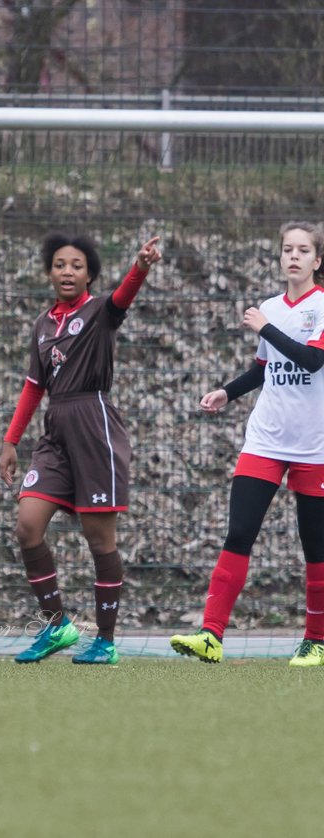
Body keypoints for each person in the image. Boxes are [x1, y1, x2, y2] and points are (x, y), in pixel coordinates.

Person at [0, 232, 163, 666]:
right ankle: (58, 627)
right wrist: (11, 440)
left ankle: (105, 641)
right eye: (59, 264)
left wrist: (141, 266)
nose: (67, 271)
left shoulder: (100, 313)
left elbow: (123, 297)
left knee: (99, 539)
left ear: (89, 273)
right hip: (55, 433)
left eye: (76, 265)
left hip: (95, 429)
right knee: (27, 525)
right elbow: (35, 387)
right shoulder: (42, 324)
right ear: (49, 272)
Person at [171, 221, 324, 667]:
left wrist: (266, 326)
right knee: (239, 532)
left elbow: (313, 361)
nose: (293, 257)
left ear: (317, 260)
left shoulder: (319, 306)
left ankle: (316, 639)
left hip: (314, 446)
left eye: (303, 250)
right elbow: (265, 368)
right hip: (265, 440)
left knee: (315, 549)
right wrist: (227, 391)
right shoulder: (272, 306)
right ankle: (211, 635)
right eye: (286, 250)